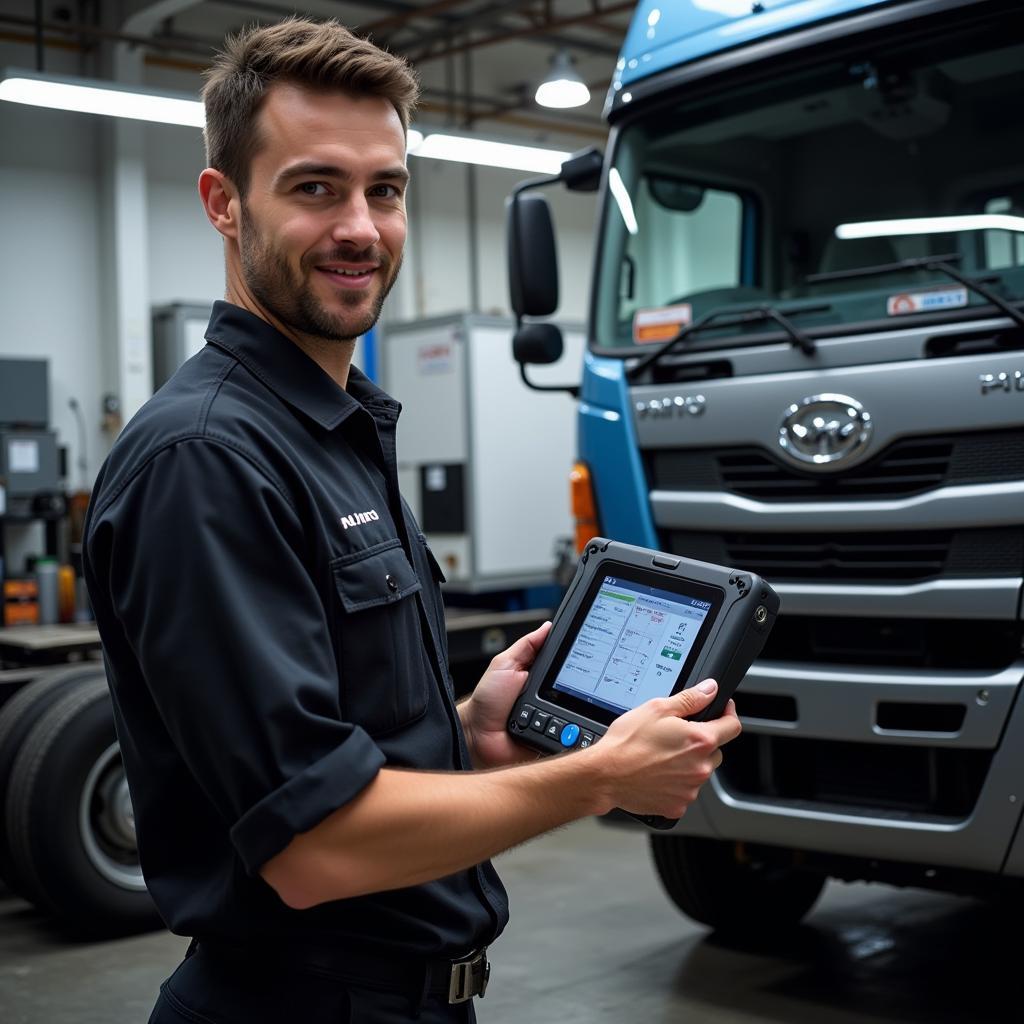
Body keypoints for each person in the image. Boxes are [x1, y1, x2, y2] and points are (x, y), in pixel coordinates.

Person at [83, 17, 742, 1024]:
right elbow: (316, 846)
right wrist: (594, 777)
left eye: (383, 190)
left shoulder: (335, 431)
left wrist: (470, 730)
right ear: (223, 203)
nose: (361, 226)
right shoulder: (208, 458)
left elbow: (349, 747)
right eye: (315, 187)